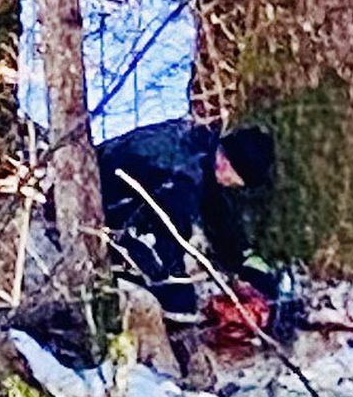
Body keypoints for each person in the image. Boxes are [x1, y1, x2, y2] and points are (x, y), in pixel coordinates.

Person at [93, 115, 277, 325]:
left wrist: (243, 263)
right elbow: (166, 236)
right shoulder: (182, 178)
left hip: (117, 200)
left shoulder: (199, 147)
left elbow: (217, 213)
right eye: (236, 182)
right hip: (105, 211)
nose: (232, 187)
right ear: (228, 167)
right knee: (176, 302)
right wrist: (179, 297)